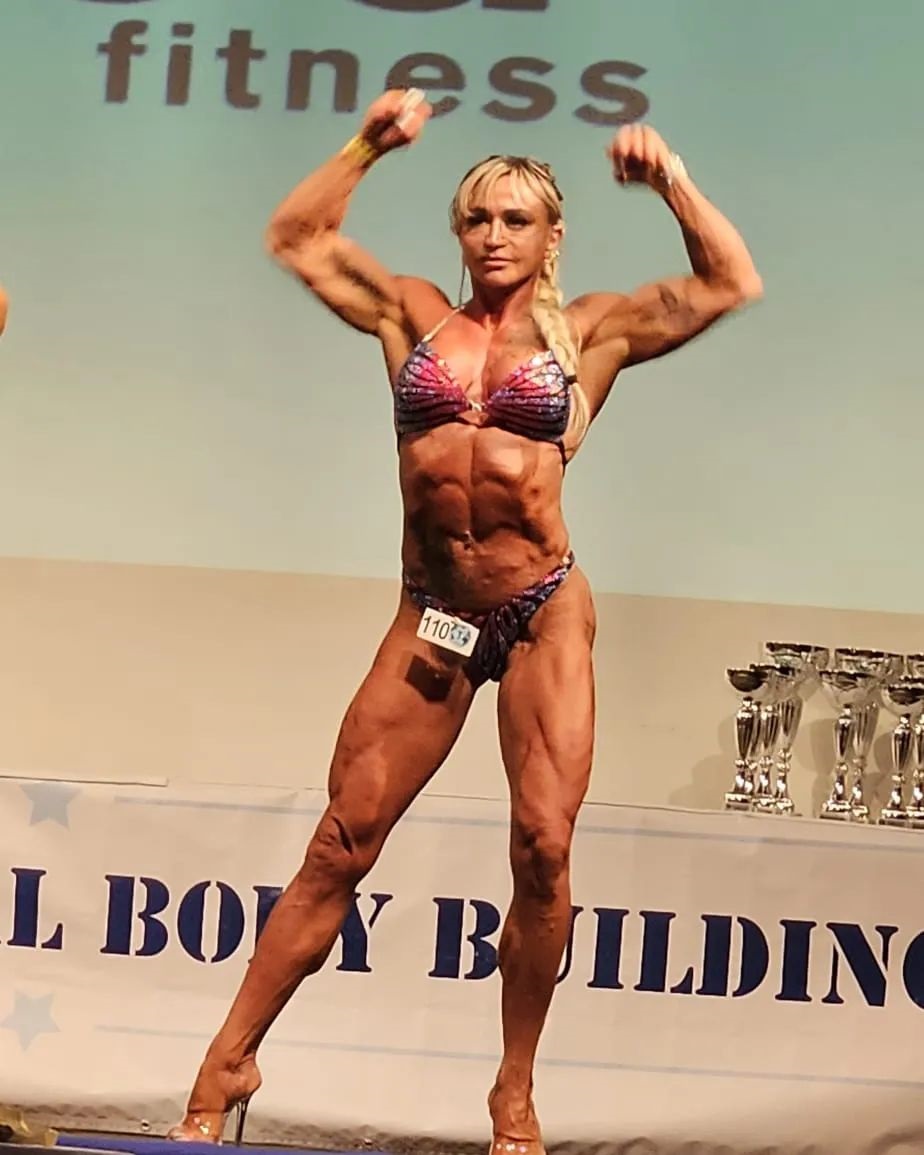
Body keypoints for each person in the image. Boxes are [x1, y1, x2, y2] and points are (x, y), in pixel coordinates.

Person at [168, 88, 762, 1154]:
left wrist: (670, 179)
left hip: (540, 613)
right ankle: (227, 1062)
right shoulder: (412, 317)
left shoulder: (592, 332)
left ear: (550, 236)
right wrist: (368, 143)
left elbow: (731, 281)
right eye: (478, 218)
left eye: (516, 220)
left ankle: (513, 1090)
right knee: (342, 840)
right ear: (458, 230)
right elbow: (296, 237)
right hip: (433, 609)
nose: (495, 236)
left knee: (544, 848)